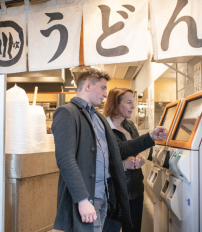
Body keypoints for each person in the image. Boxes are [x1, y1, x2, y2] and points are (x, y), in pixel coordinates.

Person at [52, 68, 167, 232]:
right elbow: (66, 160)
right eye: (103, 88)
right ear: (87, 85)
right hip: (86, 198)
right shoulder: (67, 113)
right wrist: (83, 200)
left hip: (103, 197)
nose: (106, 94)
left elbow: (118, 150)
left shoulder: (98, 118)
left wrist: (151, 137)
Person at [102, 87, 159, 232]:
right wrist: (150, 137)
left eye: (132, 102)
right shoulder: (104, 128)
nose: (133, 106)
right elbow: (120, 149)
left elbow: (133, 148)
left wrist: (138, 159)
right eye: (128, 102)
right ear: (115, 104)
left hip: (136, 190)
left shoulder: (130, 125)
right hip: (115, 193)